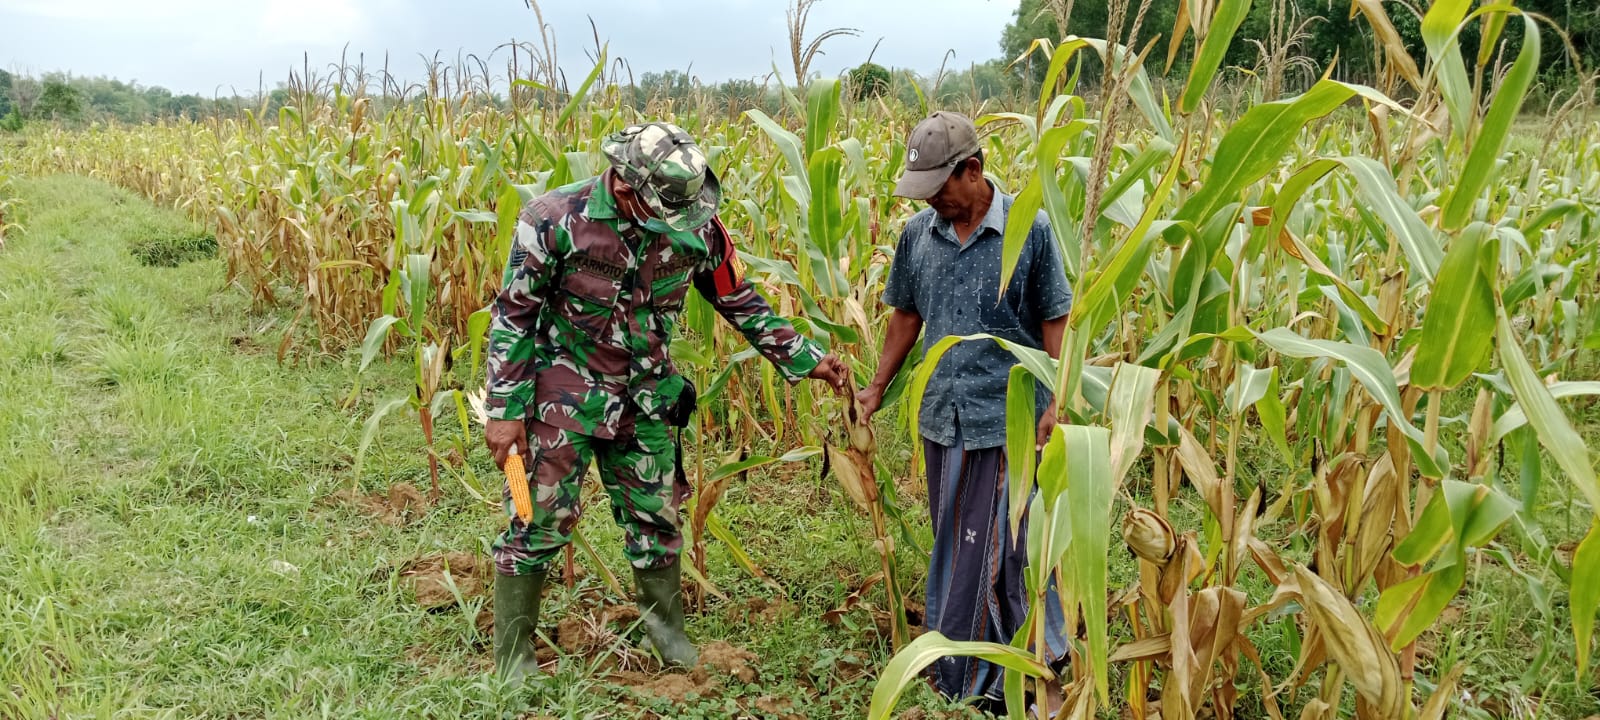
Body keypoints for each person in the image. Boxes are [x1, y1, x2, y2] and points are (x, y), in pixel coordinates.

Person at [482, 121, 849, 678]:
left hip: (646, 398)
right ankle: (513, 656)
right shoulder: (553, 220)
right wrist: (504, 411)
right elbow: (515, 314)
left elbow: (739, 299)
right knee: (536, 518)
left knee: (657, 519)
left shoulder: (699, 229)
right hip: (561, 395)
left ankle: (668, 637)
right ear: (626, 188)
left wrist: (804, 357)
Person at [855, 111, 1072, 705]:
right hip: (941, 419)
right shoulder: (917, 237)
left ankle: (1005, 671)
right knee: (958, 539)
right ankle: (983, 664)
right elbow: (906, 315)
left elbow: (1056, 316)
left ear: (972, 171)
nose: (931, 204)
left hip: (1007, 423)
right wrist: (876, 386)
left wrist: (1059, 398)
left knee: (1006, 546)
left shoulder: (1031, 230)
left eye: (938, 190)